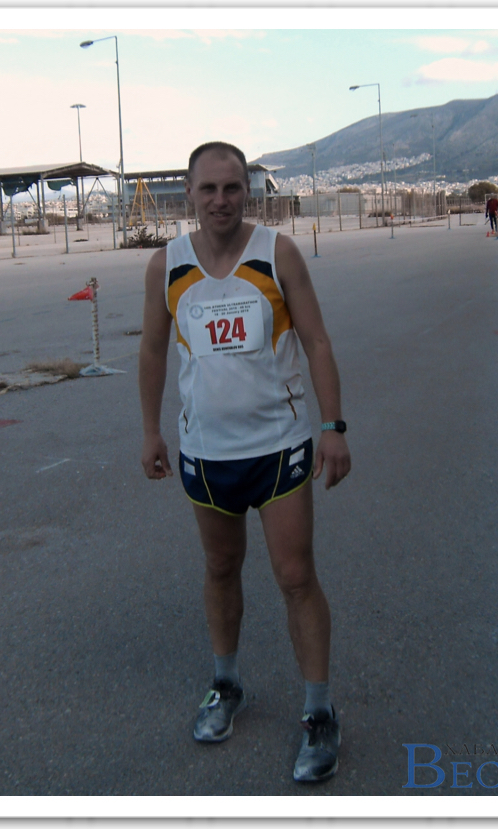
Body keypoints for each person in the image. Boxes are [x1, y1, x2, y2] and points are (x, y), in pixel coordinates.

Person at [139, 141, 351, 782]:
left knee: (294, 575)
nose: (221, 200)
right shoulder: (167, 265)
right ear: (189, 195)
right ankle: (226, 684)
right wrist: (150, 430)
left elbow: (315, 339)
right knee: (221, 567)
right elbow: (152, 350)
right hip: (206, 452)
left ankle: (319, 713)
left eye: (232, 188)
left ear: (248, 192)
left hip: (280, 446)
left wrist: (333, 426)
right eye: (208, 189)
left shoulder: (276, 252)